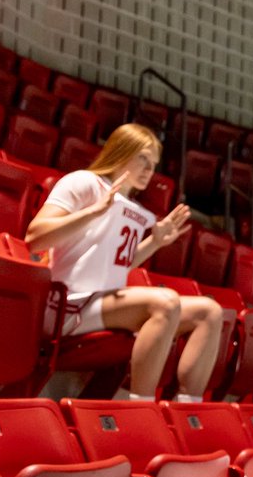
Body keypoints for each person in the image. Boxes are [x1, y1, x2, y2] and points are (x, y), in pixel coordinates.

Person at [25, 122, 224, 399]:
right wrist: (93, 212)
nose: (148, 169)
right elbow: (35, 238)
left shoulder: (131, 208)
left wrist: (154, 242)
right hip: (67, 304)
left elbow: (118, 265)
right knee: (164, 303)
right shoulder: (83, 182)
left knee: (209, 312)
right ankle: (140, 409)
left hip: (101, 302)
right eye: (142, 158)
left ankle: (188, 408)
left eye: (153, 163)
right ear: (121, 151)